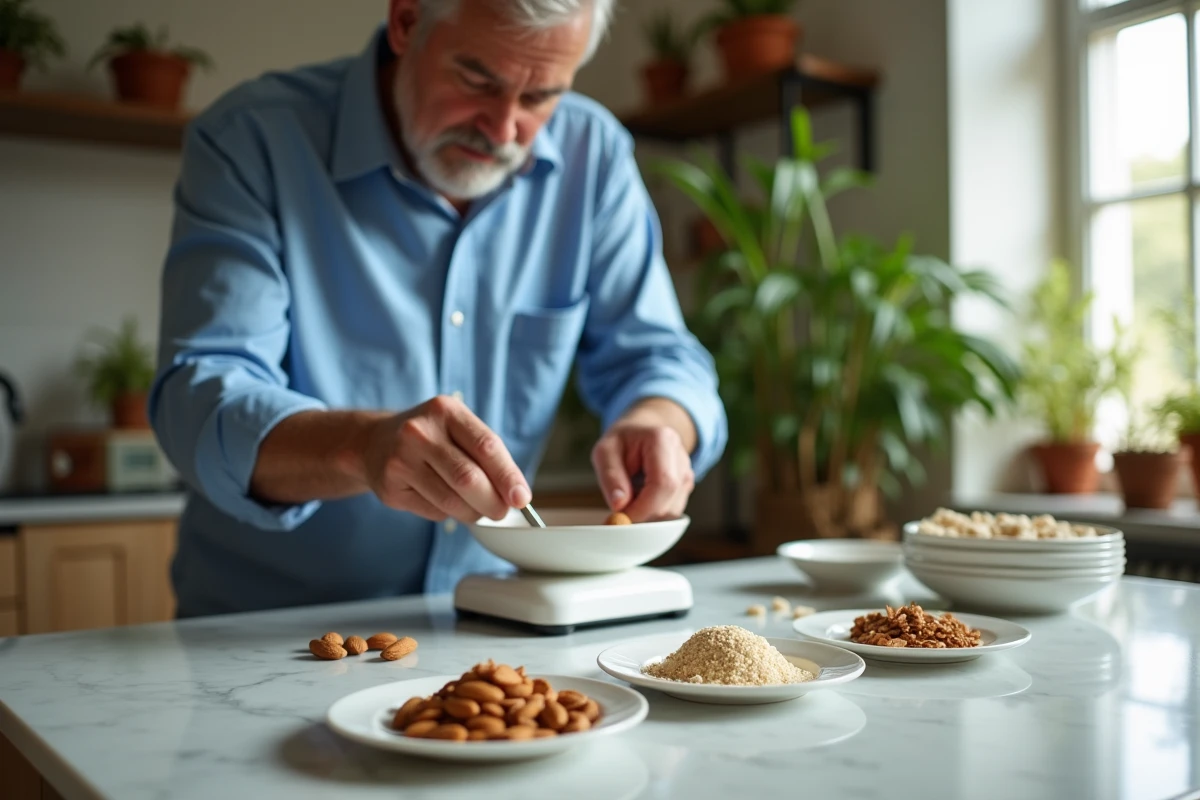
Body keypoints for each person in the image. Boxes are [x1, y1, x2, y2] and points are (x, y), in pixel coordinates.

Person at [150, 0, 728, 617]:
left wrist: (661, 421)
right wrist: (362, 446)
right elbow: (201, 396)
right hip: (264, 635)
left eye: (540, 98)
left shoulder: (595, 154)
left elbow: (659, 357)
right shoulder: (252, 139)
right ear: (405, 22)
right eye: (478, 80)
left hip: (493, 626)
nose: (503, 130)